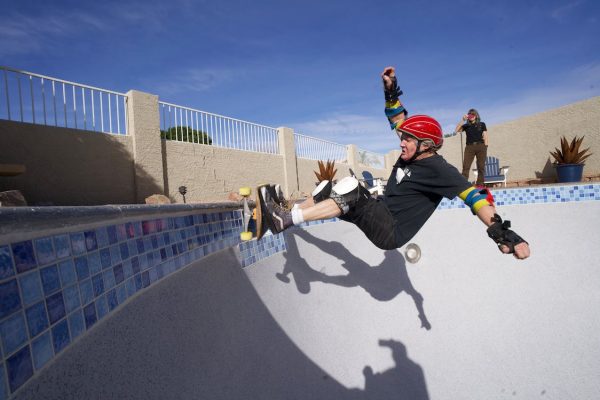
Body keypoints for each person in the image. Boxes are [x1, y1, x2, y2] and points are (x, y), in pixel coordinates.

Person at [257, 66, 530, 259]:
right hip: (380, 211)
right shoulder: (413, 148)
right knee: (329, 188)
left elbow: (475, 197)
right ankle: (283, 216)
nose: (401, 143)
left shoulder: (440, 170)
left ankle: (284, 220)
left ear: (427, 146)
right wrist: (390, 91)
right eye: (403, 139)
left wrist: (499, 231)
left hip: (391, 231)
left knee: (350, 189)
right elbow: (399, 120)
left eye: (408, 141)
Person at [455, 109, 488, 185]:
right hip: (469, 147)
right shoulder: (466, 126)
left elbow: (485, 136)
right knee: (466, 166)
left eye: (473, 114)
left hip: (481, 146)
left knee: (481, 166)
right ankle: (463, 183)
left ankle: (480, 184)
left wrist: (485, 147)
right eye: (470, 115)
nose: (471, 116)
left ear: (476, 116)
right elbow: (456, 130)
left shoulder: (482, 124)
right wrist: (462, 120)